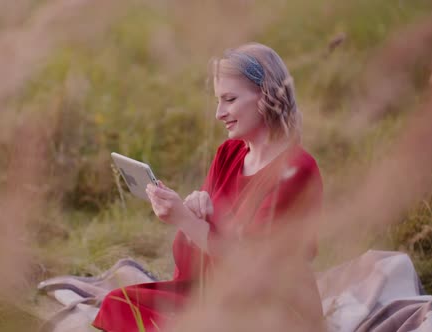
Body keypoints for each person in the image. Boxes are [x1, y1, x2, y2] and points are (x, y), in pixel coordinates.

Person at [92, 42, 324, 332]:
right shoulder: (229, 153)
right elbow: (192, 261)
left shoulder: (296, 170)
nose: (219, 113)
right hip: (214, 294)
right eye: (218, 100)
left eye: (229, 99)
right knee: (119, 303)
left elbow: (252, 272)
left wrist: (185, 220)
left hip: (266, 312)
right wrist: (195, 212)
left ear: (266, 97)